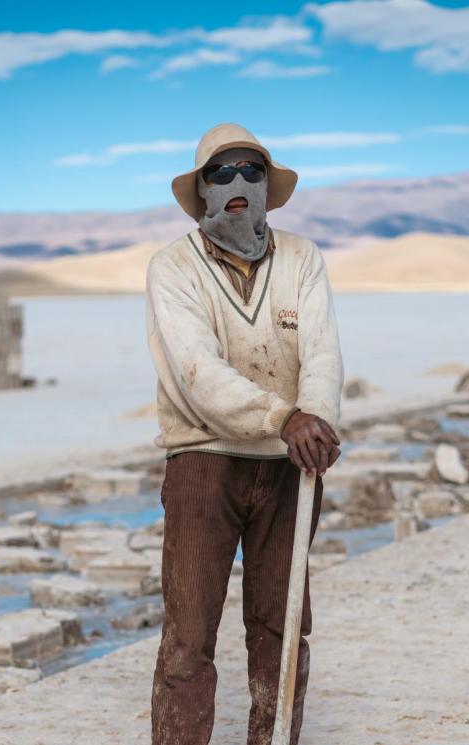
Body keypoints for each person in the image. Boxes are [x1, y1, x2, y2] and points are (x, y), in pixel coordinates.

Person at [145, 121, 345, 745]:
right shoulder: (173, 267)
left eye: (251, 172)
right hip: (205, 461)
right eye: (221, 173)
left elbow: (322, 354)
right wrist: (284, 418)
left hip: (291, 466)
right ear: (202, 190)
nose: (238, 184)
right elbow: (197, 369)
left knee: (282, 628)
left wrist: (316, 420)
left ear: (268, 187)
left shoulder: (303, 257)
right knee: (188, 636)